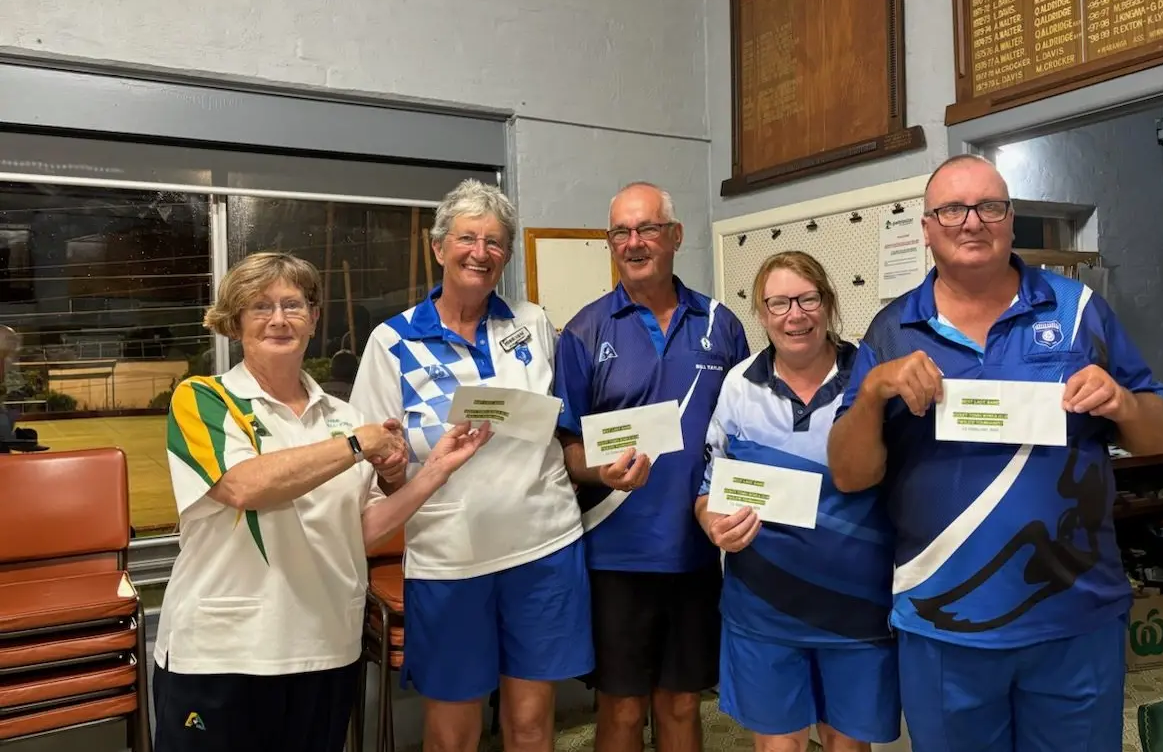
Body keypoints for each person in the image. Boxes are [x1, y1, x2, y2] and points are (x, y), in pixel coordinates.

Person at [828, 155, 1163, 752]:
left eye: (989, 207)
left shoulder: (1077, 310)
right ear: (927, 228)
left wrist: (1120, 402)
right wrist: (872, 391)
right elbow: (849, 474)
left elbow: (1159, 436)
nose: (972, 222)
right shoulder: (891, 330)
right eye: (951, 210)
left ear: (1011, 220)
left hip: (1074, 616)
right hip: (943, 619)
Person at [153, 251, 491, 752]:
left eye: (293, 305)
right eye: (260, 306)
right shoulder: (204, 399)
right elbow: (244, 486)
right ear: (235, 321)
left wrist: (436, 470)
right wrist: (356, 446)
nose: (278, 319)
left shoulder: (344, 415)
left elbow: (361, 531)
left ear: (313, 319)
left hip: (326, 646)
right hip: (225, 652)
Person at [349, 179, 595, 752]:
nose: (480, 252)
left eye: (494, 242)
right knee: (453, 734)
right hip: (449, 560)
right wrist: (392, 470)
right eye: (466, 238)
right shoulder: (392, 342)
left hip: (544, 548)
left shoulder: (532, 323)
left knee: (531, 725)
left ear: (505, 256)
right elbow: (371, 458)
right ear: (439, 248)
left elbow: (561, 424)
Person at [555, 181, 750, 752]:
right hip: (615, 554)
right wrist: (600, 472)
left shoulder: (721, 324)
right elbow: (567, 447)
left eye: (647, 229)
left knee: (683, 704)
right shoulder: (584, 330)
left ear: (676, 236)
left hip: (695, 551)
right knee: (620, 709)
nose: (633, 242)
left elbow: (741, 431)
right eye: (621, 232)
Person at [695, 252, 899, 752]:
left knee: (846, 745)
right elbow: (710, 486)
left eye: (808, 299)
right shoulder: (739, 385)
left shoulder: (872, 375)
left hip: (858, 608)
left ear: (827, 303)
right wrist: (713, 523)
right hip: (763, 608)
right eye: (779, 303)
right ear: (761, 314)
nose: (795, 315)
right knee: (778, 746)